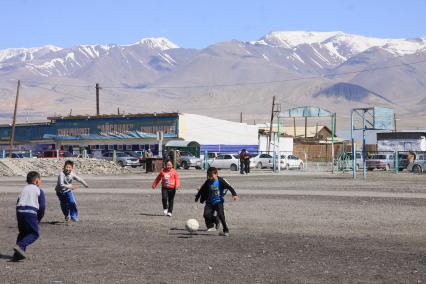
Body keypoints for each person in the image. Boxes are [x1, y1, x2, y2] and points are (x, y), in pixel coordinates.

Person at [195, 167, 239, 236]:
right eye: (209, 176)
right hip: (209, 202)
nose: (210, 178)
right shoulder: (208, 181)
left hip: (218, 202)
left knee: (221, 216)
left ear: (216, 174)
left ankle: (226, 230)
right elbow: (202, 189)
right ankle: (211, 226)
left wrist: (234, 195)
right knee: (206, 214)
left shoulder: (221, 180)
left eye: (211, 176)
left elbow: (229, 187)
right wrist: (197, 197)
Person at [13, 171, 45, 261]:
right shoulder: (39, 190)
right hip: (30, 213)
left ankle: (17, 255)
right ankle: (20, 246)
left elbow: (17, 202)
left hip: (19, 211)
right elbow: (42, 206)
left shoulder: (24, 189)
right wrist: (39, 217)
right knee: (34, 233)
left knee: (23, 233)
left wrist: (18, 215)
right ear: (37, 181)